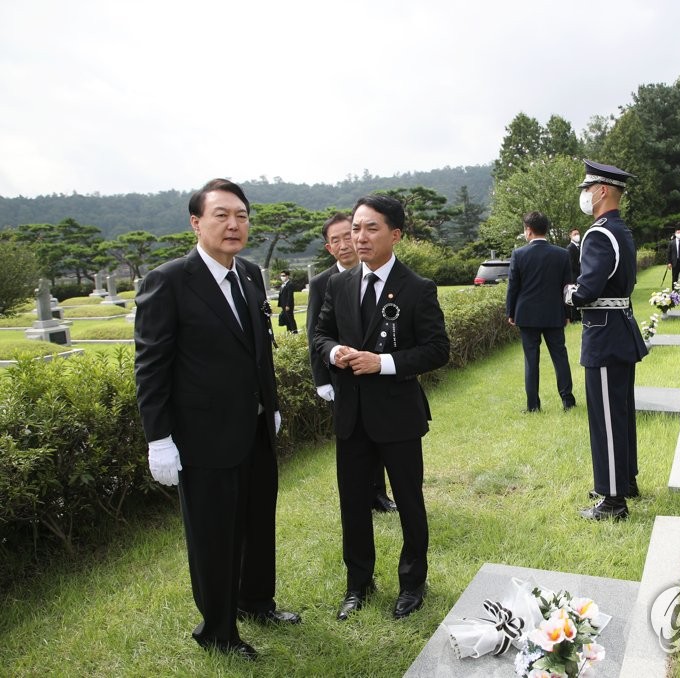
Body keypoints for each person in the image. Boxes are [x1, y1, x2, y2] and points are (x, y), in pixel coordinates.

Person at [134, 178, 300, 661]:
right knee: (214, 535)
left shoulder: (248, 274)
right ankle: (219, 631)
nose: (234, 225)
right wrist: (158, 439)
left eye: (242, 216)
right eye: (222, 215)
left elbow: (257, 353)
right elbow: (151, 367)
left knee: (256, 521)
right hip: (202, 438)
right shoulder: (168, 281)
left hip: (252, 430)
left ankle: (256, 601)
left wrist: (270, 408)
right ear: (196, 222)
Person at [312, 194, 449, 622]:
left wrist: (384, 363)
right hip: (351, 415)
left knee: (408, 500)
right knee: (352, 503)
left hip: (398, 415)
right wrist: (334, 353)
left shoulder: (417, 287)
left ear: (396, 234)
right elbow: (320, 335)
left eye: (371, 228)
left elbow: (436, 349)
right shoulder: (339, 283)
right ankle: (358, 584)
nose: (360, 237)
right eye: (356, 228)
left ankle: (412, 583)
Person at [565, 160, 649, 521]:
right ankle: (624, 481)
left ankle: (613, 501)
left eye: (587, 189)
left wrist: (569, 293)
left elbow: (587, 290)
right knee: (620, 412)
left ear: (601, 191)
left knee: (606, 418)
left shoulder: (599, 233)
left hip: (603, 333)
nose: (585, 195)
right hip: (620, 329)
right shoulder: (619, 229)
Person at [307, 212, 398, 514]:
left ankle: (379, 492)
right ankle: (359, 495)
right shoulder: (323, 283)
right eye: (336, 240)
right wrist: (322, 380)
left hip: (378, 372)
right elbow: (316, 334)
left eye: (349, 235)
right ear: (328, 248)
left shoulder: (377, 275)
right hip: (342, 377)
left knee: (380, 434)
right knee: (353, 440)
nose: (346, 244)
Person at [506, 211, 576, 413]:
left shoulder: (519, 254)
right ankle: (567, 401)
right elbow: (568, 287)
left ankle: (533, 406)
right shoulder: (562, 254)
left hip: (527, 315)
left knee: (531, 360)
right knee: (560, 357)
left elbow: (513, 286)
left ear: (528, 230)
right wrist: (568, 314)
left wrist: (510, 311)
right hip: (555, 314)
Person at [566, 228, 582, 323]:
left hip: (580, 275)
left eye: (578, 233)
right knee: (574, 295)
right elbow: (571, 264)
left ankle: (578, 315)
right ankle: (574, 317)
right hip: (574, 275)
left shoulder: (579, 247)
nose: (577, 235)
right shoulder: (570, 248)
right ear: (570, 236)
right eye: (575, 234)